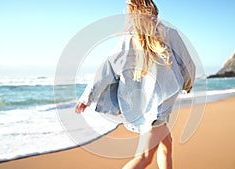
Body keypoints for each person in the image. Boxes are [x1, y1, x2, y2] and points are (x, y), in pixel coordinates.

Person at [75, 0, 195, 168]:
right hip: (156, 109)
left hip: (144, 107)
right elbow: (187, 64)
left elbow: (106, 70)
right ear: (153, 9)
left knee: (166, 145)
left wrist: (87, 97)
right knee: (144, 157)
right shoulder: (169, 34)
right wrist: (188, 84)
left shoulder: (127, 40)